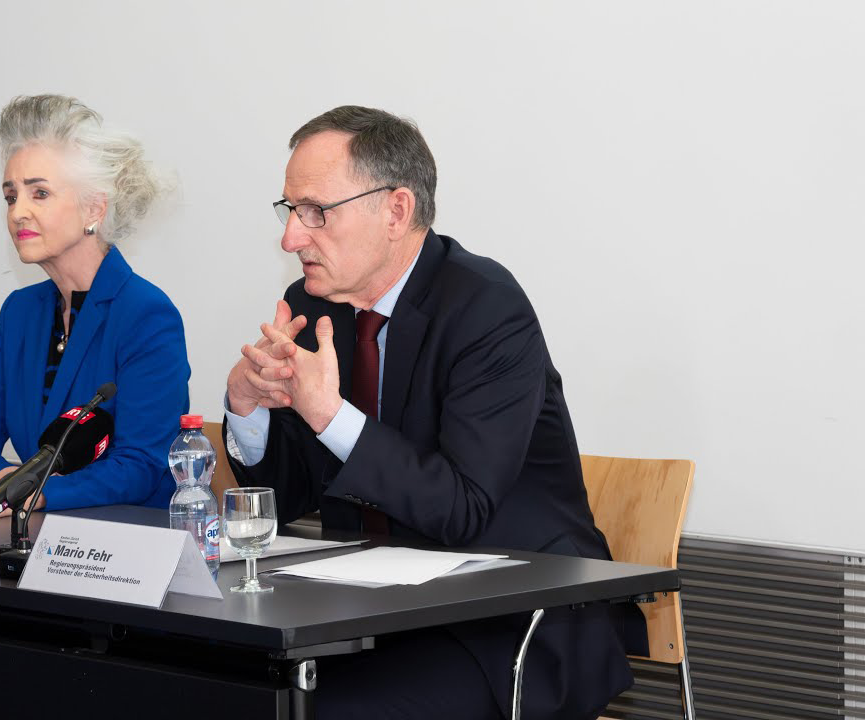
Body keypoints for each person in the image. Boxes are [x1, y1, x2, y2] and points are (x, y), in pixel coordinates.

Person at [223, 106, 646, 719]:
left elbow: (464, 506)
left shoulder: (486, 308)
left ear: (395, 210)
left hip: (509, 616)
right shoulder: (314, 305)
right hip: (366, 613)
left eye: (316, 211)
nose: (292, 237)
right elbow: (287, 502)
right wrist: (247, 409)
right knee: (217, 691)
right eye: (288, 210)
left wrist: (330, 416)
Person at [0, 95, 189, 525]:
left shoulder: (146, 315)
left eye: (40, 193)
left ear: (94, 208)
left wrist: (37, 492)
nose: (19, 211)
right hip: (36, 536)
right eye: (10, 195)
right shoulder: (19, 313)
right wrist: (8, 481)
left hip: (125, 548)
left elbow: (142, 466)